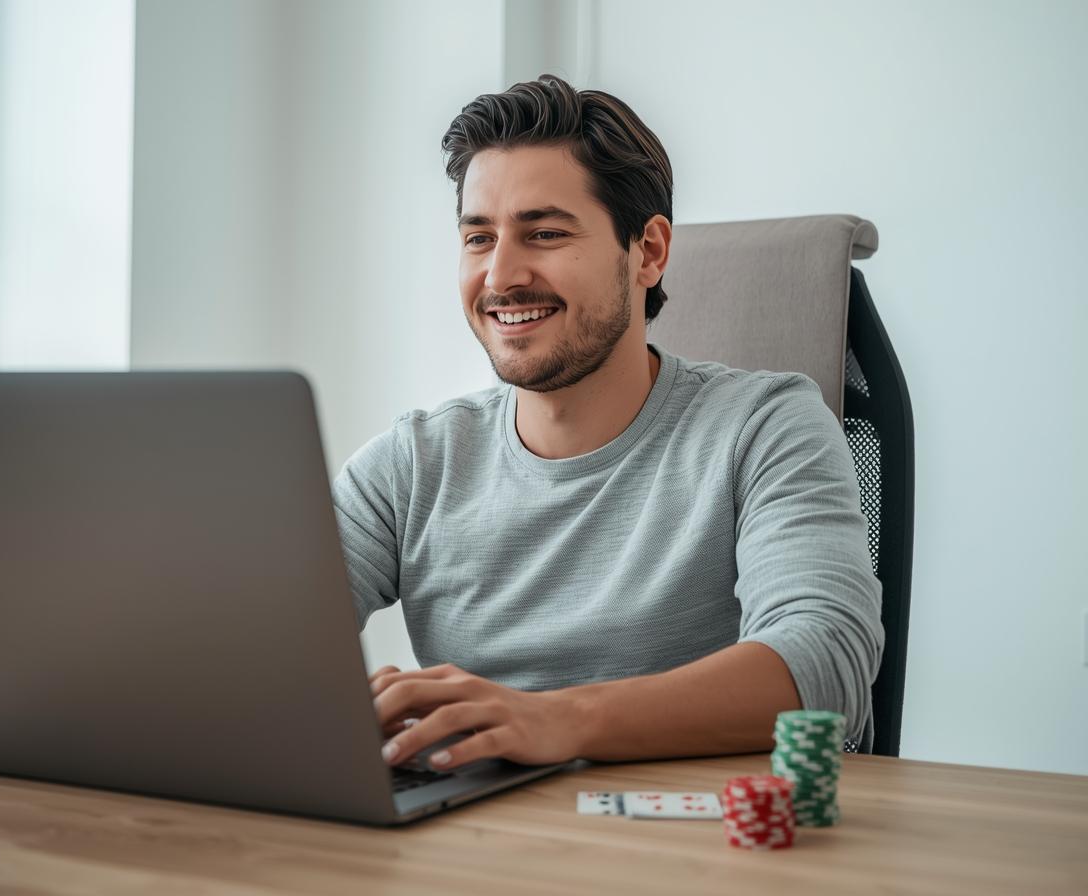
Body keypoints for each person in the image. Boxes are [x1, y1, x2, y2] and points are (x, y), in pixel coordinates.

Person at [332, 74, 883, 774]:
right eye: (478, 238)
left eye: (545, 233)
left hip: (681, 854)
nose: (501, 275)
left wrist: (556, 719)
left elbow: (826, 666)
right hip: (469, 843)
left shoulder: (765, 426)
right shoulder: (412, 463)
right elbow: (260, 639)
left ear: (648, 252)